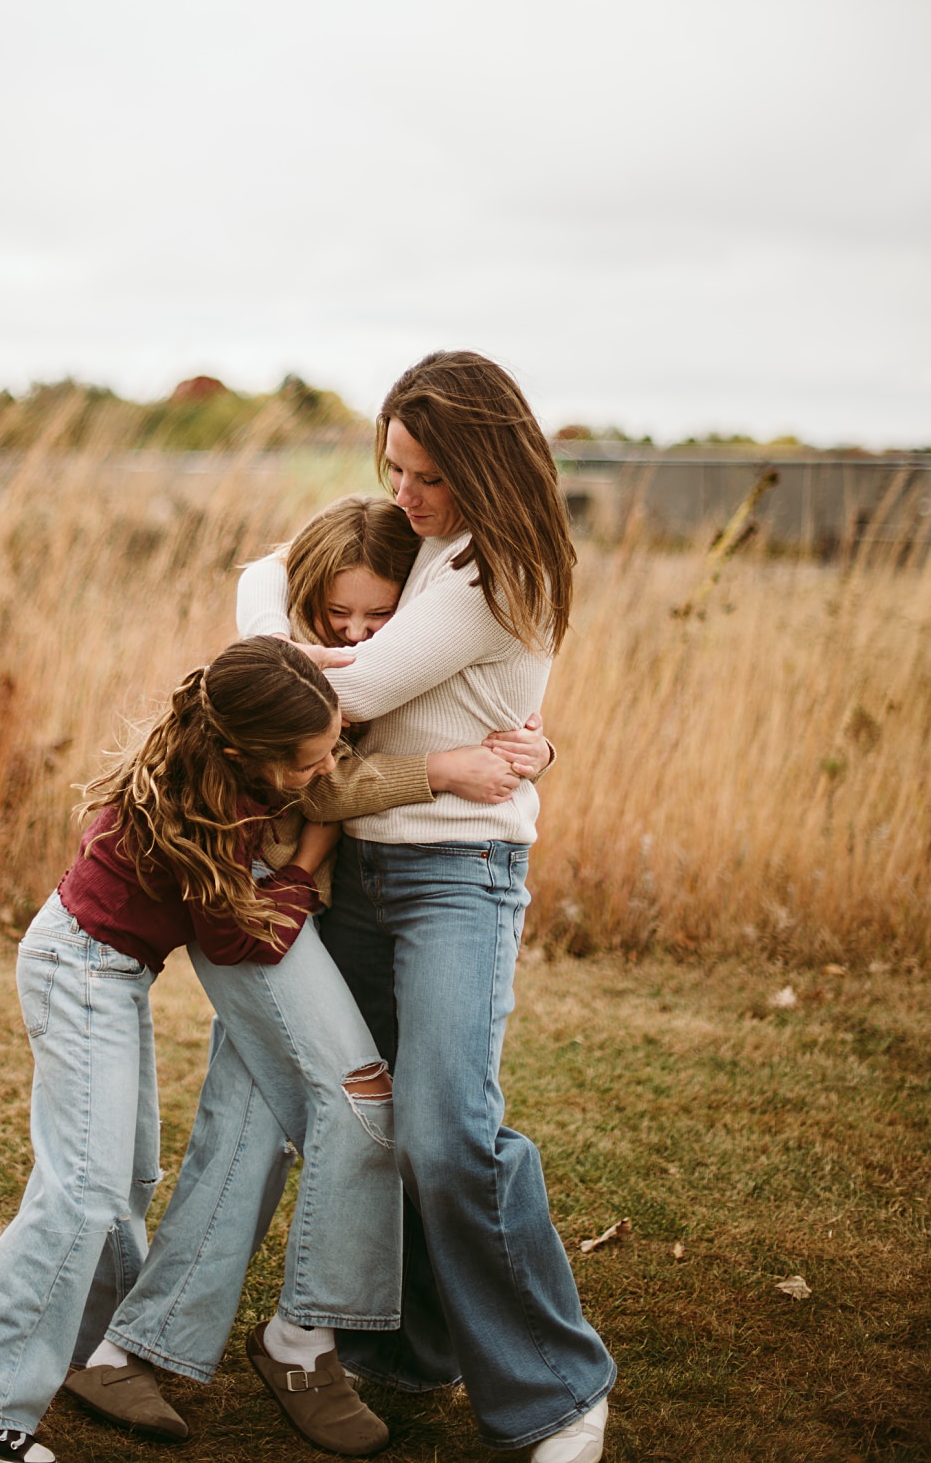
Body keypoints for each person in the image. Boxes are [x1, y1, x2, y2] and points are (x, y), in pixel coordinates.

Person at [82, 490, 554, 1445]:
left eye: (376, 618)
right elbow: (322, 772)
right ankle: (301, 1338)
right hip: (255, 899)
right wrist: (445, 770)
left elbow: (426, 714)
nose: (352, 633)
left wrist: (530, 744)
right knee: (360, 1099)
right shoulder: (287, 654)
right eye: (335, 614)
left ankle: (133, 1351)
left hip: (296, 900)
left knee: (250, 1110)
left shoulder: (426, 622)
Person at [0, 637, 406, 1463]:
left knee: (125, 1177)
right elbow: (243, 942)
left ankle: (99, 1350)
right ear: (249, 756)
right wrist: (311, 855)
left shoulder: (210, 759)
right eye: (310, 763)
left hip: (104, 970)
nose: (324, 774)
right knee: (87, 1189)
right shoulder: (216, 812)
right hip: (80, 971)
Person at [304, 352, 616, 1463]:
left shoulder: (500, 566)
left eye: (428, 474)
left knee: (447, 1131)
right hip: (362, 867)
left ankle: (559, 1389)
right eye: (393, 468)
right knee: (379, 1124)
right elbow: (284, 582)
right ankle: (413, 1343)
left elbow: (344, 688)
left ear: (485, 463)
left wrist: (240, 670)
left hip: (454, 876)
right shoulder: (429, 546)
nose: (405, 496)